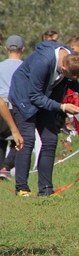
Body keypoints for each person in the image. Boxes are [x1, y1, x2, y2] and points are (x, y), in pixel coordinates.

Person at [9, 41, 79, 196]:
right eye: (69, 75)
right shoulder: (42, 62)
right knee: (27, 140)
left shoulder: (70, 57)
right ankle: (22, 188)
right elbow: (35, 96)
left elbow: (71, 79)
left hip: (46, 97)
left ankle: (46, 189)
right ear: (63, 68)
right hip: (25, 97)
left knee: (50, 140)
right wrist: (63, 107)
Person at [0, 35, 25, 178]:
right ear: (23, 49)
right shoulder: (25, 66)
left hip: (0, 105)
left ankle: (2, 166)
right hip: (16, 106)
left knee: (0, 140)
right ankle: (6, 167)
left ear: (6, 48)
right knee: (20, 138)